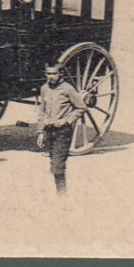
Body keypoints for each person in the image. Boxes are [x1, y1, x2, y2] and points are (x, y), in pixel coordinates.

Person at [35, 64, 87, 195]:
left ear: (60, 75)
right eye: (48, 74)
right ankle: (61, 194)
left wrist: (67, 121)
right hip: (49, 130)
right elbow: (42, 111)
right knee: (54, 162)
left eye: (54, 74)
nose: (50, 77)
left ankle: (62, 197)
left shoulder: (68, 89)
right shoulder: (44, 89)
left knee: (57, 165)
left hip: (63, 131)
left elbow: (81, 107)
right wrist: (40, 132)